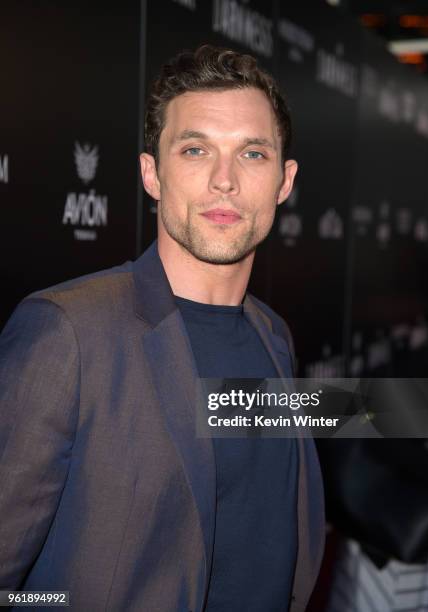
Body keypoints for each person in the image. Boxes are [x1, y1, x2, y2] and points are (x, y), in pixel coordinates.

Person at [0, 45, 325, 611]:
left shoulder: (275, 337)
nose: (225, 180)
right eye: (196, 149)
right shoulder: (70, 333)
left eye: (252, 153)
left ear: (284, 180)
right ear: (152, 173)